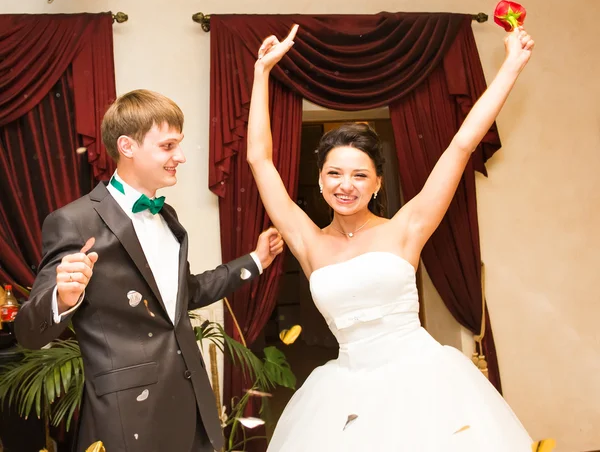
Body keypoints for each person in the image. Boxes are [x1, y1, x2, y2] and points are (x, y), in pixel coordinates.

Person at [246, 25, 535, 451]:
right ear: (321, 181)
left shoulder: (406, 228)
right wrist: (261, 73)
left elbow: (461, 144)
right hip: (344, 394)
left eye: (360, 175)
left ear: (377, 183)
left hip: (423, 383)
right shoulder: (307, 241)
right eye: (335, 173)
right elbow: (259, 158)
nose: (347, 185)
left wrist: (511, 65)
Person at [14, 89, 284, 452]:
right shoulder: (73, 222)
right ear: (127, 147)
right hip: (127, 420)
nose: (181, 157)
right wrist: (62, 298)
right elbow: (28, 333)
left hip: (193, 409)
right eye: (168, 146)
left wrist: (254, 262)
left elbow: (188, 293)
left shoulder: (167, 218)